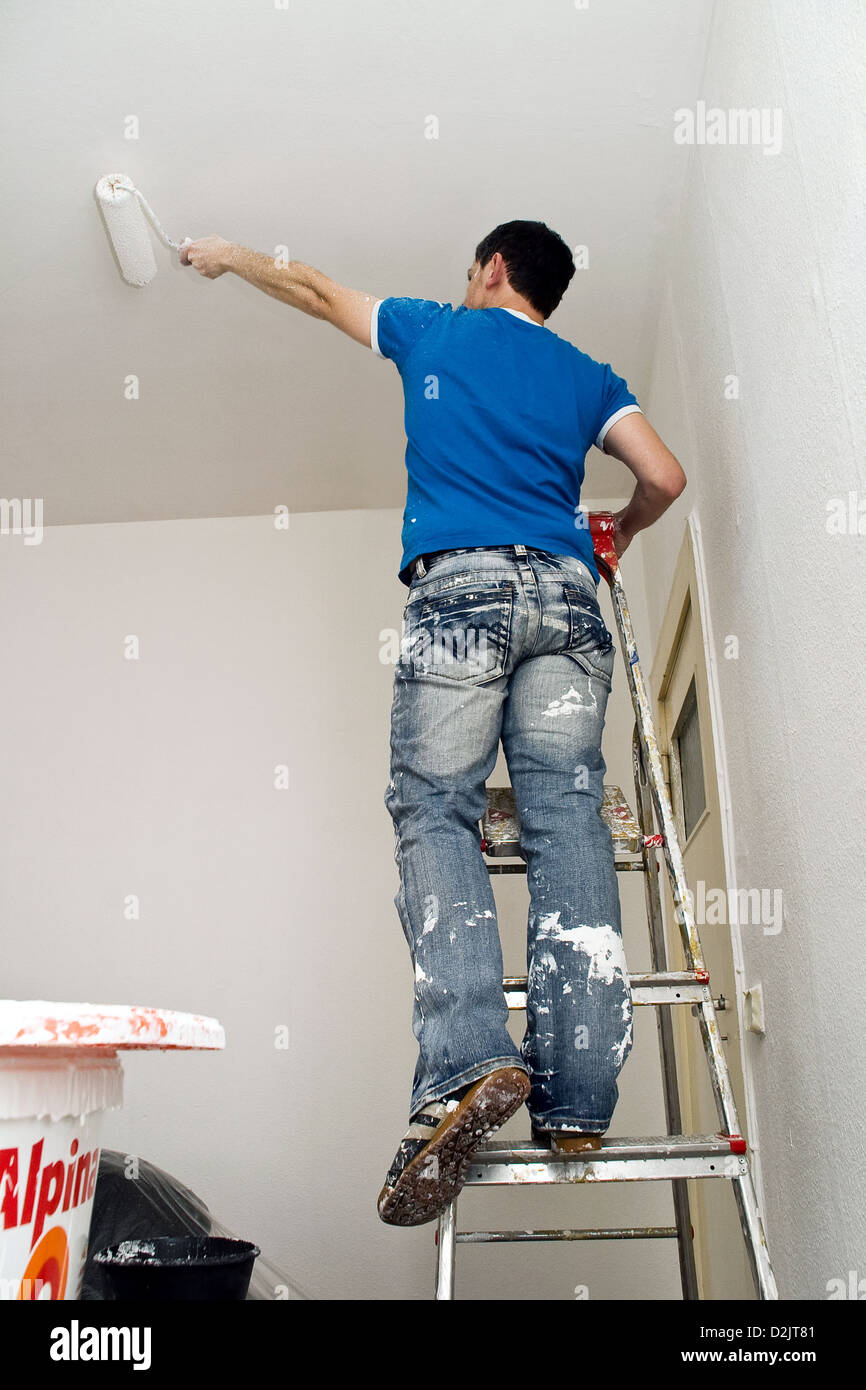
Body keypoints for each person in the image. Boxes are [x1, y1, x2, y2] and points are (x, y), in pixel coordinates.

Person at [181, 221, 686, 1228]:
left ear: (490, 269)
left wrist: (228, 256)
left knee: (434, 813)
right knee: (567, 826)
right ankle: (578, 1100)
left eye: (471, 269)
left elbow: (319, 287)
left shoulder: (435, 329)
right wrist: (617, 531)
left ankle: (468, 1061)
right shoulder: (589, 375)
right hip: (568, 606)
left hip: (461, 596)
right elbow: (663, 476)